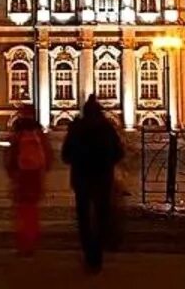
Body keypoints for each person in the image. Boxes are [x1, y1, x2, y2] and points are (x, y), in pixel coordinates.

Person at [61, 95, 124, 274]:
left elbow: (66, 155)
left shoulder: (76, 129)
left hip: (81, 179)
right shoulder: (107, 129)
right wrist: (107, 162)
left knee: (84, 218)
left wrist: (77, 160)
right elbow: (119, 153)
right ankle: (97, 252)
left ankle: (89, 252)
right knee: (101, 216)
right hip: (103, 179)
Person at [2, 105, 52, 255]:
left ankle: (23, 243)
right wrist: (44, 169)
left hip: (21, 174)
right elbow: (48, 153)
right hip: (35, 173)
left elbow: (10, 154)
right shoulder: (38, 132)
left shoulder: (18, 133)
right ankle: (31, 240)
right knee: (32, 209)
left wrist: (11, 172)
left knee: (21, 209)